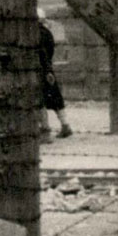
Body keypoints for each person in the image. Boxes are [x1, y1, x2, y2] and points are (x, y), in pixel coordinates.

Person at [38, 8, 72, 141]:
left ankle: (44, 130)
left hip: (40, 70)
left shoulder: (34, 34)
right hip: (48, 69)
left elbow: (42, 53)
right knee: (55, 97)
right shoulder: (47, 33)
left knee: (39, 99)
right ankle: (65, 124)